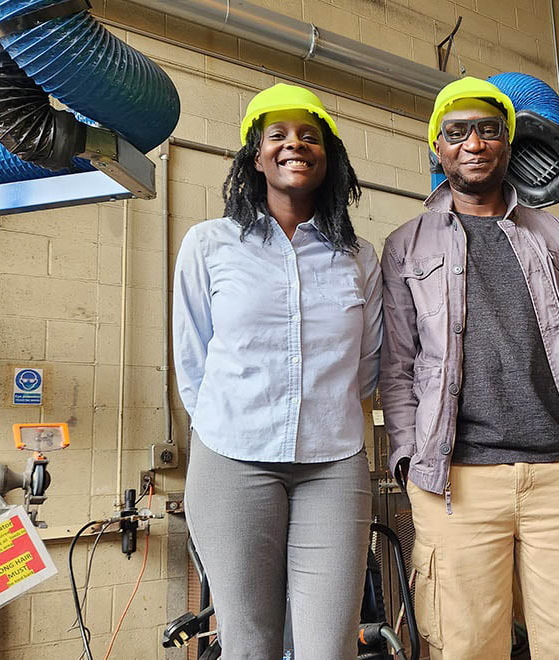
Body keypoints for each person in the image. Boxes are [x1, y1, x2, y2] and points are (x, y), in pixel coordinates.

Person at [379, 76, 559, 659]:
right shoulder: (407, 245)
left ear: (507, 144)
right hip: (458, 481)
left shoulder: (557, 236)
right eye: (458, 131)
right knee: (466, 647)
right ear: (438, 147)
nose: (474, 143)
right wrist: (412, 456)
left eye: (489, 130)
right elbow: (398, 365)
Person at [173, 83, 381, 659]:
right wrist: (230, 424)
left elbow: (366, 367)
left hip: (333, 464)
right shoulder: (210, 244)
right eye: (278, 135)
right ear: (255, 155)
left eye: (309, 135)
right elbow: (192, 360)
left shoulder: (359, 257)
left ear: (328, 156)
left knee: (329, 646)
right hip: (232, 460)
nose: (295, 144)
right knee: (249, 644)